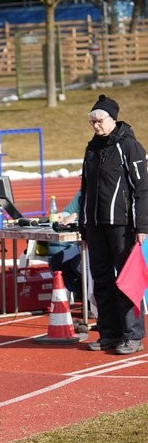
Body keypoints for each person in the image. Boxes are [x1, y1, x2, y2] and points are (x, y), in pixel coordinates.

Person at [80, 94, 148, 355]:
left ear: (112, 119)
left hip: (122, 225)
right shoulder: (92, 149)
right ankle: (108, 333)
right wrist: (83, 226)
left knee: (126, 281)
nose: (95, 126)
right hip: (96, 225)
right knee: (101, 280)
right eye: (91, 121)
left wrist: (142, 227)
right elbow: (85, 189)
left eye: (99, 120)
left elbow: (142, 189)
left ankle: (133, 335)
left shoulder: (130, 146)